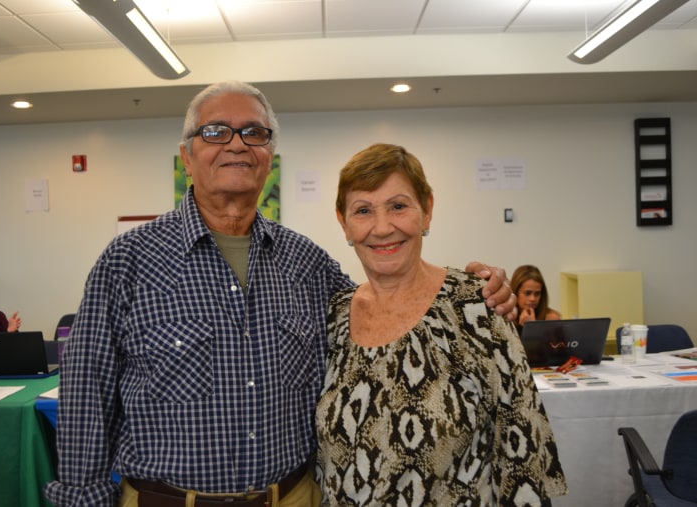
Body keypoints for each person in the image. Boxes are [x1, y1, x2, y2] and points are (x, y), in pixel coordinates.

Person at [44, 81, 517, 507]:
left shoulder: (306, 263)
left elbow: (383, 316)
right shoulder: (128, 261)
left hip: (293, 496)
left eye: (255, 133)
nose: (236, 144)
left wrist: (477, 289)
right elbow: (87, 397)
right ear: (186, 156)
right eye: (216, 133)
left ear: (269, 157)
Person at [315, 143, 567, 506]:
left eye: (398, 206)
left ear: (427, 210)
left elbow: (523, 458)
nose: (382, 227)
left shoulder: (477, 306)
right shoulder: (334, 317)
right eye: (363, 210)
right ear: (344, 222)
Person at [511, 264, 561, 335]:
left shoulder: (551, 318)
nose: (532, 298)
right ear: (515, 292)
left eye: (537, 294)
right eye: (527, 293)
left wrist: (532, 328)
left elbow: (554, 345)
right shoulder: (507, 317)